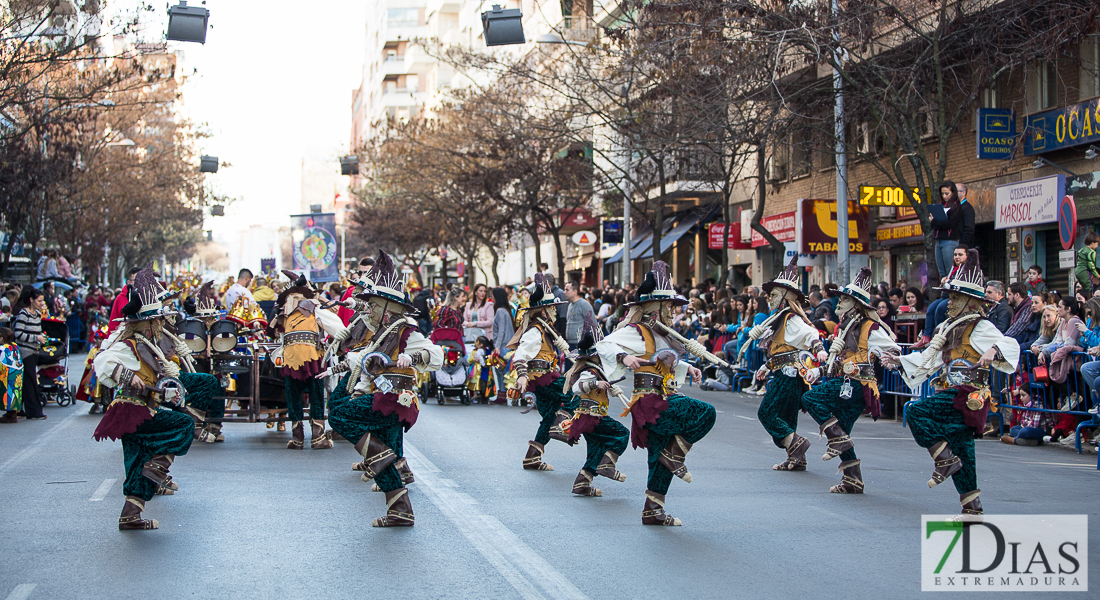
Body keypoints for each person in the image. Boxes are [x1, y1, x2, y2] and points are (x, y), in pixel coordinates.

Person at [884, 249, 1019, 516]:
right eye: (949, 297)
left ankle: (943, 458)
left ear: (970, 301)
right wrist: (899, 362)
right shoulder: (948, 328)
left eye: (955, 298)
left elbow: (1008, 342)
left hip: (968, 393)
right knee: (962, 448)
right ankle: (972, 505)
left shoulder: (979, 326)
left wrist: (994, 350)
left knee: (916, 411)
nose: (949, 302)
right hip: (953, 391)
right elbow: (929, 360)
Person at [91, 268, 222, 530]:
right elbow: (101, 360)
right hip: (132, 410)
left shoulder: (148, 343)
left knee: (138, 461)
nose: (161, 325)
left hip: (142, 408)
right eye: (158, 321)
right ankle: (156, 468)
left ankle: (131, 514)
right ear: (147, 323)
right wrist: (126, 375)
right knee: (181, 427)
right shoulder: (129, 344)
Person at [324, 251, 443, 527]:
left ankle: (383, 457)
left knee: (338, 416)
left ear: (390, 308)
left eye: (375, 306)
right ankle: (400, 510)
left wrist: (411, 358)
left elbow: (435, 355)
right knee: (383, 453)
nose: (371, 311)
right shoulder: (382, 332)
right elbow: (363, 359)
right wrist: (335, 369)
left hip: (394, 401)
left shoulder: (406, 332)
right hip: (383, 398)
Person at [593, 261, 713, 525]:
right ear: (655, 308)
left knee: (659, 454)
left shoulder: (661, 335)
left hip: (662, 397)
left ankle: (653, 510)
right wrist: (624, 357)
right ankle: (674, 454)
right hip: (649, 401)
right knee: (706, 413)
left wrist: (687, 366)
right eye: (669, 307)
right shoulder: (636, 331)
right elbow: (602, 345)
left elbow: (661, 360)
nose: (673, 311)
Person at [800, 268, 901, 493]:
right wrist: (818, 372)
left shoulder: (870, 327)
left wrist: (891, 358)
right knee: (842, 429)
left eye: (844, 299)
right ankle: (852, 480)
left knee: (810, 398)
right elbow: (839, 358)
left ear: (856, 304)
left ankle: (838, 443)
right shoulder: (844, 326)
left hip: (859, 385)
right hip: (845, 381)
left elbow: (893, 347)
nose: (839, 302)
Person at [744, 256, 827, 471]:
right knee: (787, 417)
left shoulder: (792, 318)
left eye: (773, 295)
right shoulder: (780, 319)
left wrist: (819, 349)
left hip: (790, 373)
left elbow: (810, 333)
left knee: (767, 413)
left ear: (784, 297)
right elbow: (781, 349)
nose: (769, 298)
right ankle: (797, 459)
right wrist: (765, 367)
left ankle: (797, 444)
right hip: (785, 371)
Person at [266, 270, 348, 449]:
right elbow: (338, 329)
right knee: (316, 394)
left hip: (290, 358)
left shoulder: (284, 310)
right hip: (312, 358)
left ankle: (297, 439)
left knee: (293, 394)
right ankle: (318, 437)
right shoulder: (314, 306)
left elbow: (273, 333)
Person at [507, 273, 576, 472]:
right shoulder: (536, 330)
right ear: (544, 310)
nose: (555, 310)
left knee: (548, 417)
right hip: (543, 378)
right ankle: (560, 425)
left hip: (542, 379)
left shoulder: (544, 328)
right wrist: (521, 375)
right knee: (574, 395)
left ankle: (532, 457)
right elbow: (520, 355)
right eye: (552, 307)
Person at [560, 313, 631, 497]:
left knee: (596, 448)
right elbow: (577, 388)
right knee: (622, 434)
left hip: (590, 417)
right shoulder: (590, 371)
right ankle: (607, 465)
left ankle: (582, 484)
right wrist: (595, 383)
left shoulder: (597, 370)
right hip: (592, 417)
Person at [914, 245, 968, 348]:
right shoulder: (954, 268)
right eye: (955, 255)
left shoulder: (967, 270)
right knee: (931, 308)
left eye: (960, 255)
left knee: (940, 309)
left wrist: (949, 283)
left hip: (959, 298)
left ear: (967, 256)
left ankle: (939, 337)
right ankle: (926, 336)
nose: (957, 257)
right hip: (948, 295)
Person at [12, 287, 47, 420]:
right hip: (25, 351)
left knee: (29, 380)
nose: (41, 304)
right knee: (31, 381)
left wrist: (40, 338)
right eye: (39, 301)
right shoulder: (24, 314)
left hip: (34, 350)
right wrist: (35, 338)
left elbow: (36, 331)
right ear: (31, 300)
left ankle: (25, 409)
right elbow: (18, 334)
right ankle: (34, 411)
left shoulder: (37, 314)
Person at [930, 181, 964, 280]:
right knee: (942, 272)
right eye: (942, 193)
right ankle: (945, 293)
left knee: (950, 271)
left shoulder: (956, 206)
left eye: (947, 193)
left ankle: (950, 293)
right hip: (939, 239)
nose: (944, 196)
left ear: (953, 193)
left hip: (950, 240)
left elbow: (950, 224)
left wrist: (935, 222)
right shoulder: (942, 205)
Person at [490, 287, 514, 405]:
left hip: (503, 346)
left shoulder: (500, 311)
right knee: (504, 371)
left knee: (501, 371)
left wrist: (497, 346)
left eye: (493, 296)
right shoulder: (507, 310)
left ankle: (502, 395)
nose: (492, 299)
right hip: (508, 345)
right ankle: (502, 394)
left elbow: (501, 331)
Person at [108, 267, 143, 335]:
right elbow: (113, 324)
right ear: (128, 282)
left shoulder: (149, 296)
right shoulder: (120, 298)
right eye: (136, 280)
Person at [0, 328, 23, 423]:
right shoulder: (14, 346)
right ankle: (12, 414)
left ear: (1, 338)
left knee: (6, 394)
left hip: (6, 374)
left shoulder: (2, 348)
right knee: (14, 394)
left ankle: (11, 416)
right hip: (17, 373)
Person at [564, 281, 594, 351]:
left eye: (567, 290)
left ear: (575, 292)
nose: (564, 292)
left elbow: (593, 324)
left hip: (580, 345)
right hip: (569, 344)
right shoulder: (570, 306)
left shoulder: (584, 304)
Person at [1076, 232, 1100, 297]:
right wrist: (1096, 274)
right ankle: (1089, 300)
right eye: (1097, 244)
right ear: (1092, 242)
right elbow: (1090, 265)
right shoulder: (1091, 252)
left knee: (1083, 287)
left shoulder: (1081, 250)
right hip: (1084, 271)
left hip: (1078, 271)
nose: (1097, 246)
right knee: (1089, 287)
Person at [956, 183, 976, 250]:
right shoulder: (956, 207)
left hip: (963, 247)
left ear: (963, 193)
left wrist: (962, 245)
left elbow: (969, 229)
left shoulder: (967, 208)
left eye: (956, 191)